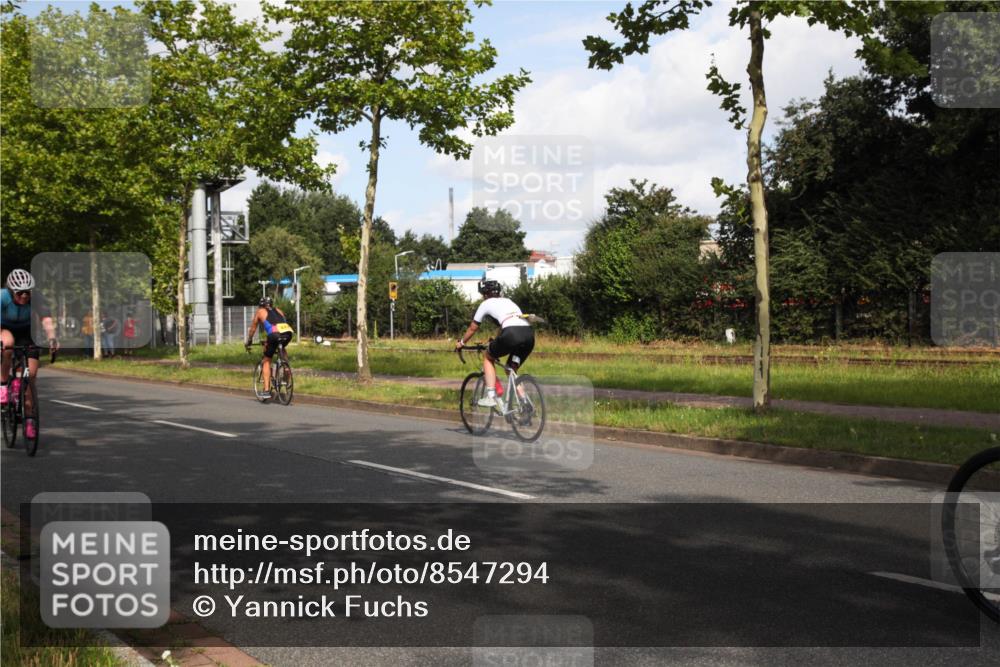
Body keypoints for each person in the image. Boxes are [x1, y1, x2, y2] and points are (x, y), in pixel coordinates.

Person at [455, 279, 535, 408]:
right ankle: (524, 402)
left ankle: (490, 396)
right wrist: (496, 340)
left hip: (511, 333)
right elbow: (506, 325)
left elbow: (473, 328)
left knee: (488, 357)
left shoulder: (485, 303)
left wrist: (462, 342)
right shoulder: (508, 301)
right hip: (529, 335)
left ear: (485, 294)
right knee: (511, 369)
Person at [0, 269, 59, 439]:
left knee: (30, 377)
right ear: (11, 291)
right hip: (5, 328)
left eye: (27, 292)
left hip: (27, 333)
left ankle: (29, 420)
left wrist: (52, 338)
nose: (25, 296)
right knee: (8, 344)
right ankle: (3, 384)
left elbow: (46, 320)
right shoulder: (2, 297)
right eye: (20, 293)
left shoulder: (37, 298)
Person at [244, 297, 293, 396]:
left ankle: (266, 390)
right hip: (288, 333)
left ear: (260, 305)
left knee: (266, 360)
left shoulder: (260, 311)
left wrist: (249, 340)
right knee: (282, 349)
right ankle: (286, 372)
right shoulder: (278, 310)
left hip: (274, 334)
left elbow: (253, 328)